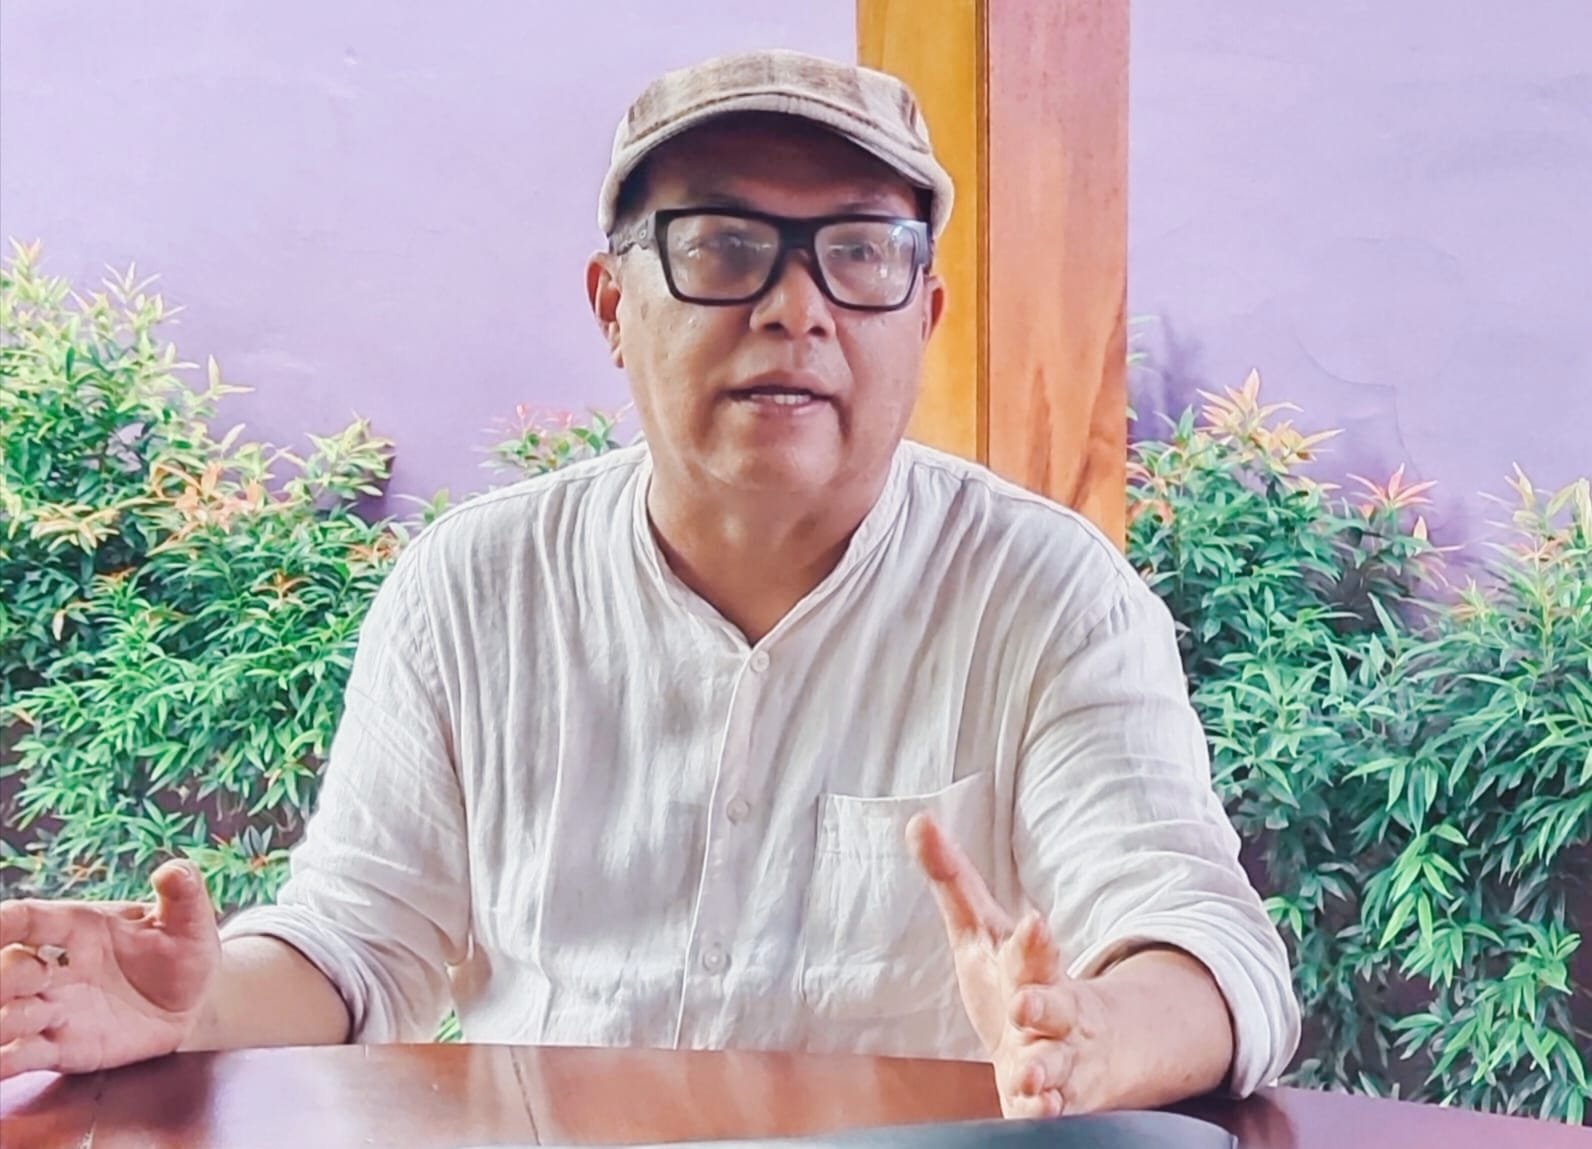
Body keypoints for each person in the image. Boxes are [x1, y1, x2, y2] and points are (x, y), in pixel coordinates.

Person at [0, 49, 1299, 1118]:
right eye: (725, 246)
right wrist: (193, 1004)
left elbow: (1203, 943)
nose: (797, 308)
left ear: (925, 316)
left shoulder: (1046, 596)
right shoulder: (474, 586)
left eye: (859, 253)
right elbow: (358, 943)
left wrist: (1094, 1037)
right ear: (612, 304)